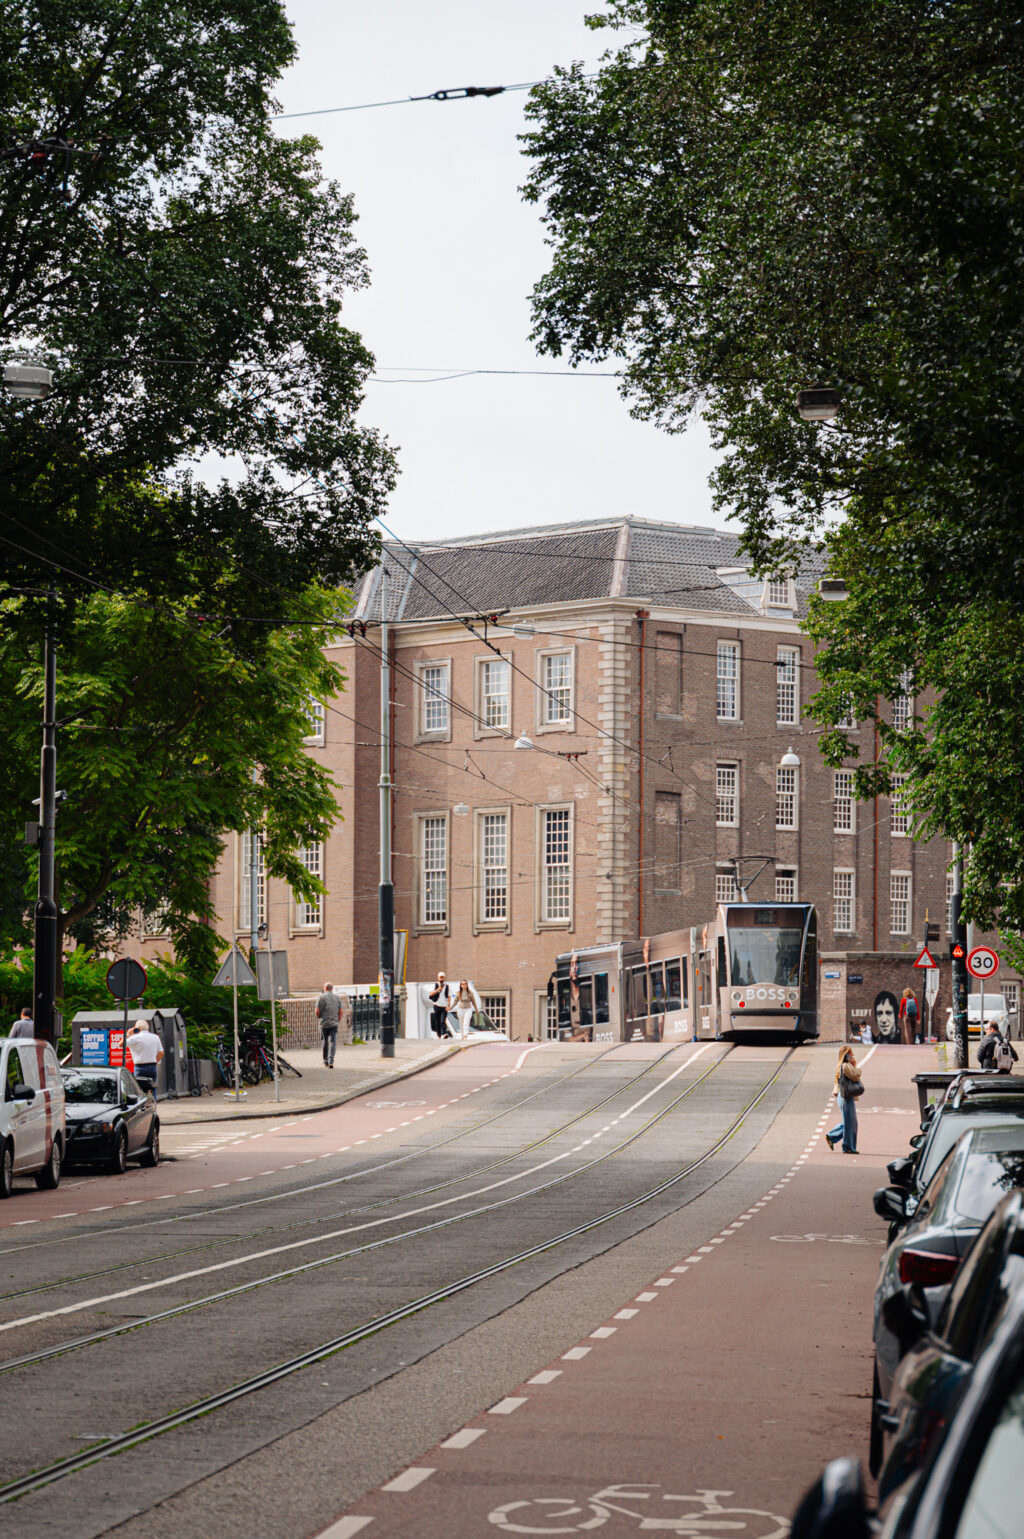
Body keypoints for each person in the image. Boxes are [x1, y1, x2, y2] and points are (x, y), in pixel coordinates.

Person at [826, 1044, 862, 1154]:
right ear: (846, 1056)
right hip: (846, 1097)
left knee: (850, 1122)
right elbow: (856, 1075)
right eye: (851, 1053)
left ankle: (832, 1137)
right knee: (850, 1123)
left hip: (844, 1096)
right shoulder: (845, 1066)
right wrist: (855, 1066)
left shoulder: (841, 1066)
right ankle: (847, 1147)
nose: (853, 1055)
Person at [127, 1019, 164, 1095]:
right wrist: (155, 1061)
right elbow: (161, 1053)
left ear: (137, 1028)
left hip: (139, 1067)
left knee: (139, 1089)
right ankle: (153, 1104)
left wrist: (128, 1034)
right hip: (152, 1066)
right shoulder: (155, 1037)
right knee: (152, 1088)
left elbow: (121, 1044)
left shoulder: (134, 1038)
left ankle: (142, 1105)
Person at [316, 982, 342, 1067]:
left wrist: (319, 1018)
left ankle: (325, 1061)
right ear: (332, 988)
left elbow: (317, 1011)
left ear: (325, 988)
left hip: (323, 1023)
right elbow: (341, 1011)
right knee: (333, 1041)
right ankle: (331, 1061)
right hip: (334, 1023)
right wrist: (338, 1020)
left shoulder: (320, 997)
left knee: (325, 1041)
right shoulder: (337, 998)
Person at [428, 973, 453, 1037]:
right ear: (438, 978)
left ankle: (443, 1033)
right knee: (437, 1020)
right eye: (440, 977)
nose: (441, 979)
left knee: (442, 1020)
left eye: (442, 977)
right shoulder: (435, 985)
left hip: (444, 1006)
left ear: (444, 978)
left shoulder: (447, 986)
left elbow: (449, 996)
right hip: (437, 1005)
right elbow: (431, 994)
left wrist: (448, 1005)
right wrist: (438, 990)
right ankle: (439, 1035)